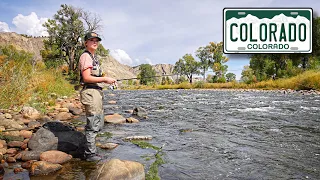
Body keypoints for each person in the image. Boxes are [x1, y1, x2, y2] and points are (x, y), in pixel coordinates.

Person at [79, 32, 117, 161]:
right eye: (92, 40)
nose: (95, 42)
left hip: (96, 92)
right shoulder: (86, 56)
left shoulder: (94, 57)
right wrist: (105, 79)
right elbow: (86, 77)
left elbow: (94, 78)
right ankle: (89, 154)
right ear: (86, 43)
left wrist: (106, 80)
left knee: (98, 123)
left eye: (97, 40)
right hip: (90, 93)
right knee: (93, 124)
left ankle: (89, 149)